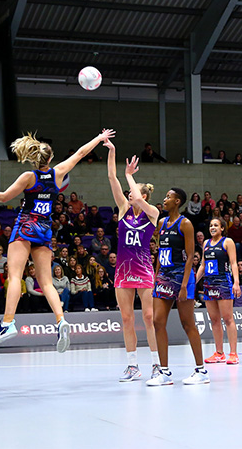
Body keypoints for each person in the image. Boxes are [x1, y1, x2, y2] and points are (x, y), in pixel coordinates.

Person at [0, 129, 114, 352]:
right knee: (46, 282)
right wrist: (100, 139)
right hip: (44, 229)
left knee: (15, 275)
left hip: (25, 226)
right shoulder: (58, 173)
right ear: (51, 158)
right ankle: (61, 320)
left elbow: (5, 197)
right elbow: (81, 153)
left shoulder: (28, 177)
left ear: (33, 158)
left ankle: (7, 323)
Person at [104, 141, 160, 382]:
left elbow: (135, 195)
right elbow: (111, 178)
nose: (130, 193)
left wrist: (130, 176)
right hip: (123, 271)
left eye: (135, 191)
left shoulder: (153, 213)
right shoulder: (123, 210)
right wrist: (112, 152)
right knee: (126, 318)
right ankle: (132, 365)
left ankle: (157, 364)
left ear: (144, 195)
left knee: (148, 317)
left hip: (144, 270)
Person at [147, 188, 208, 386]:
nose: (164, 200)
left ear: (177, 201)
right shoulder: (161, 223)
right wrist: (156, 276)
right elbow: (160, 252)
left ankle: (201, 370)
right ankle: (164, 372)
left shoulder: (186, 224)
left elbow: (191, 256)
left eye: (168, 197)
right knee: (157, 322)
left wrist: (184, 285)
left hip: (182, 277)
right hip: (164, 277)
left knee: (187, 323)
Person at [197, 217, 241, 366]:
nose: (212, 227)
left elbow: (234, 263)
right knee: (214, 320)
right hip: (209, 284)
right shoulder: (206, 244)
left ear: (222, 228)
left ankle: (233, 353)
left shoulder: (227, 242)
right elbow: (203, 266)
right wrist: (193, 283)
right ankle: (219, 353)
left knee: (228, 319)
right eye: (211, 225)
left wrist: (236, 282)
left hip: (223, 282)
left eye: (216, 225)